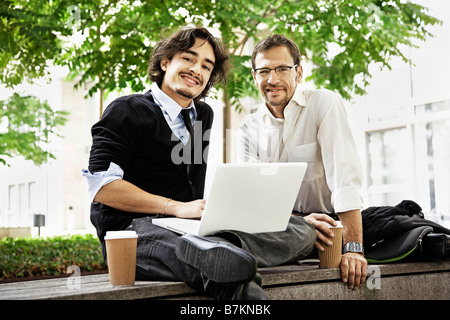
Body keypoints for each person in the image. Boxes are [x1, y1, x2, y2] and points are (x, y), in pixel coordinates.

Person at [83, 27, 316, 300]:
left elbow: (188, 185)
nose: (197, 69)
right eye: (188, 59)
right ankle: (220, 253)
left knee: (301, 228)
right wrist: (176, 208)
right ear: (165, 61)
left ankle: (222, 249)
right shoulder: (127, 110)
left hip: (190, 228)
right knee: (220, 269)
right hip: (132, 232)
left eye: (207, 66)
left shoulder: (201, 115)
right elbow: (102, 185)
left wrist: (231, 214)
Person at [237, 34, 367, 290]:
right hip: (282, 227)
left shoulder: (323, 104)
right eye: (263, 71)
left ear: (299, 73)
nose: (272, 79)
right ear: (254, 76)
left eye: (282, 69)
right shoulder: (248, 128)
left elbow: (345, 180)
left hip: (332, 229)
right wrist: (297, 221)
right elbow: (254, 197)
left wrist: (354, 249)